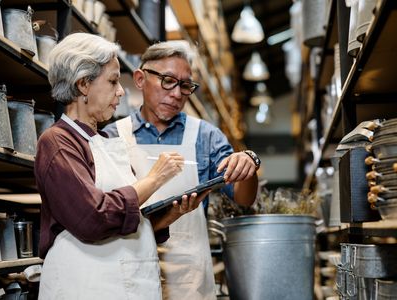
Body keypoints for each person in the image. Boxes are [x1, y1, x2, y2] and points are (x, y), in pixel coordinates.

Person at [34, 33, 207, 299]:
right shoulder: (58, 142)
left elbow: (124, 220)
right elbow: (93, 217)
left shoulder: (104, 141)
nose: (121, 91)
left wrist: (162, 220)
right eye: (113, 80)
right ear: (83, 84)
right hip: (85, 287)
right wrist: (154, 179)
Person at [104, 40, 259, 300]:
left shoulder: (206, 137)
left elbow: (244, 198)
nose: (177, 94)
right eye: (168, 80)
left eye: (185, 85)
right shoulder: (112, 137)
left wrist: (249, 167)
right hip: (129, 271)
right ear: (140, 79)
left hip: (189, 278)